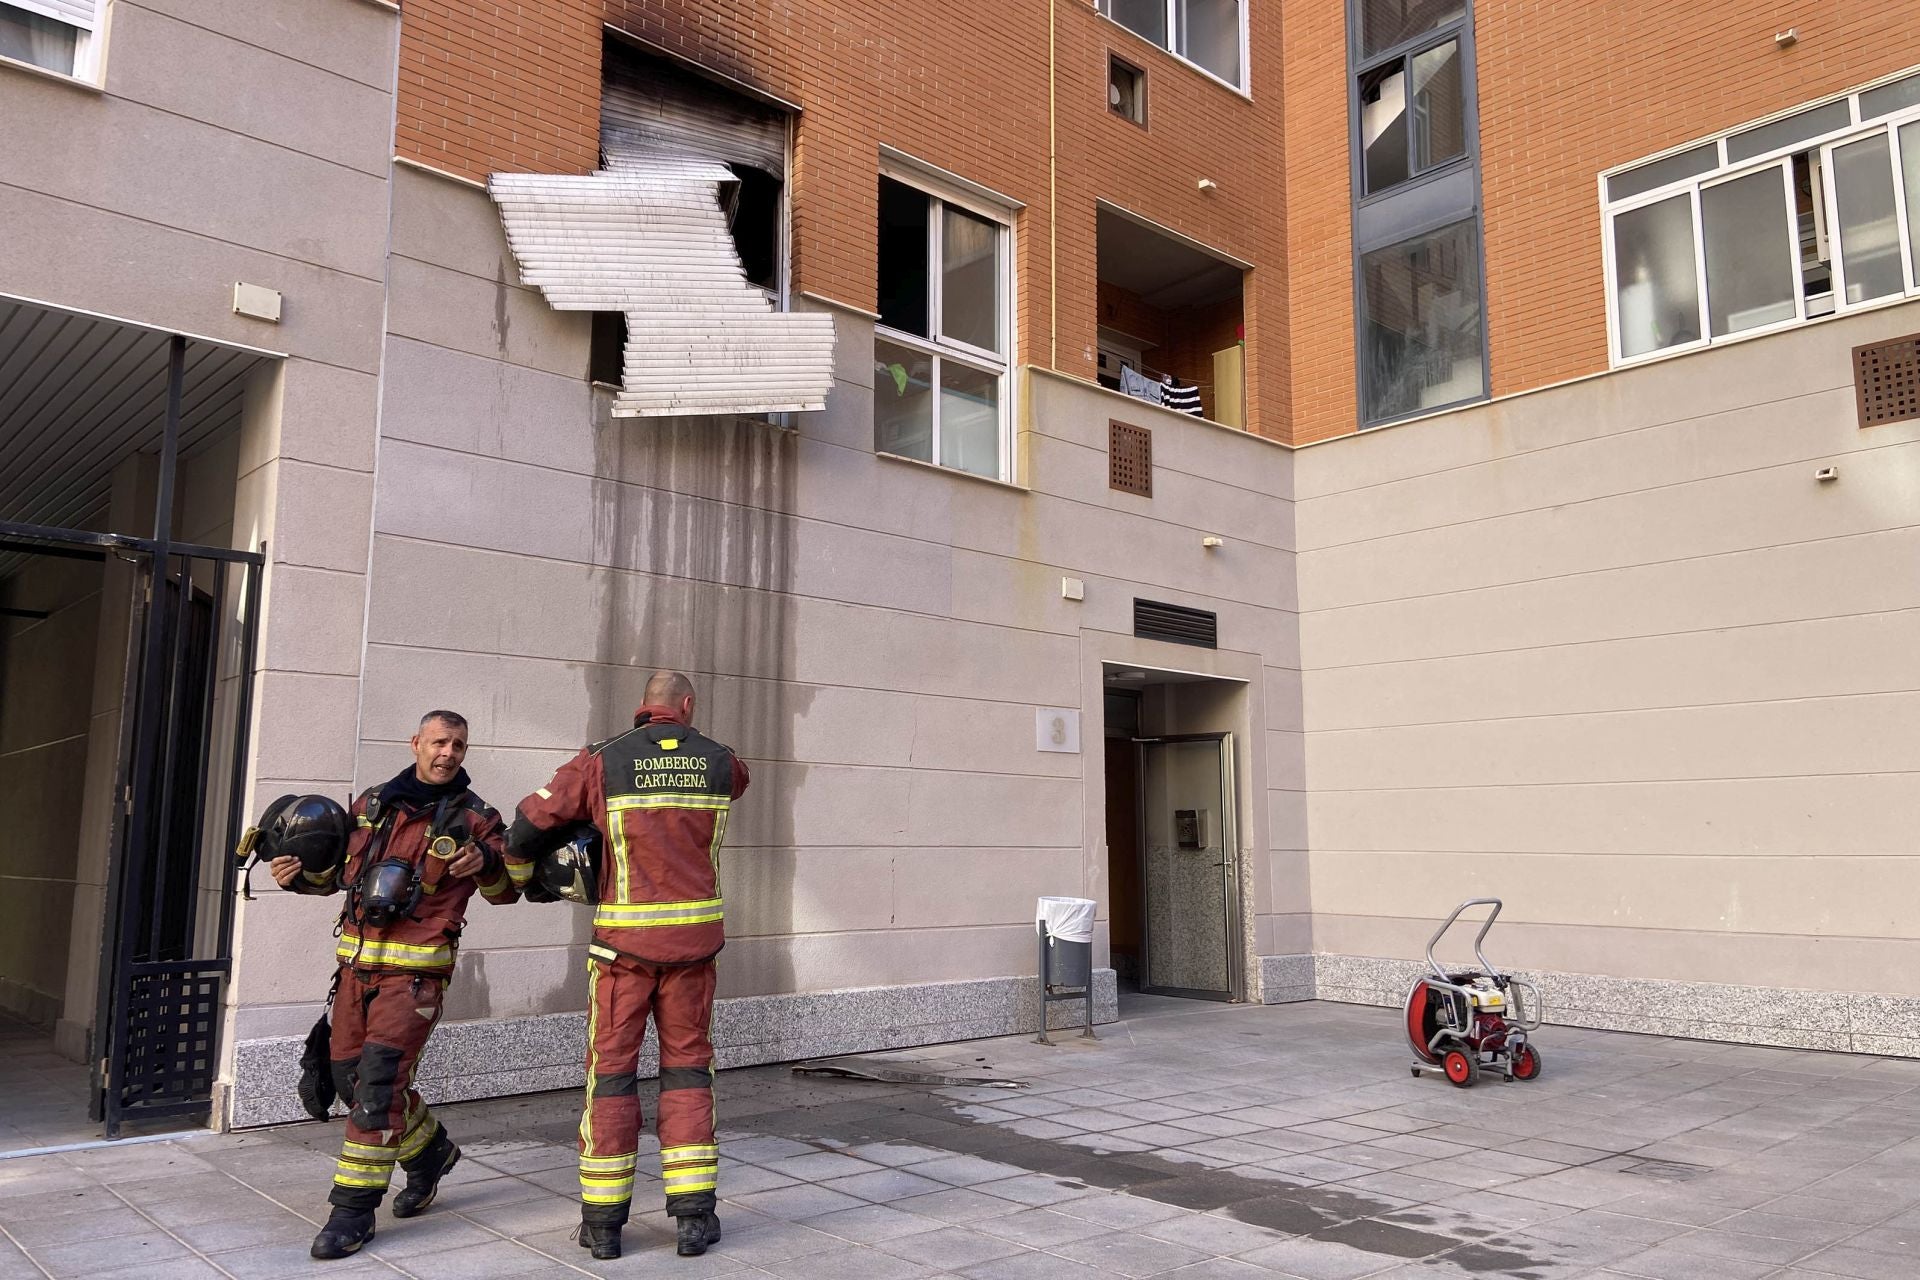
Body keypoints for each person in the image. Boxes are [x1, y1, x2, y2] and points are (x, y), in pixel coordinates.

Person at [510, 671, 750, 1261]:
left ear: (644, 707)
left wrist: (521, 880)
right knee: (689, 1070)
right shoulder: (723, 762)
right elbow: (736, 782)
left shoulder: (602, 761)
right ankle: (694, 1217)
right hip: (694, 951)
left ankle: (604, 1225)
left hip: (623, 952)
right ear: (687, 705)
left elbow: (526, 826)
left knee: (612, 1074)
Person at [271, 709, 524, 1260]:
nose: (449, 753)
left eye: (459, 745)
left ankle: (352, 1212)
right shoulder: (370, 805)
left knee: (378, 1086)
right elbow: (335, 878)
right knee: (346, 1079)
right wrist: (298, 878)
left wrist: (484, 862)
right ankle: (431, 1153)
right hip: (354, 971)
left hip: (415, 979)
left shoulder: (478, 819)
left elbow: (507, 892)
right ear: (416, 743)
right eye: (439, 741)